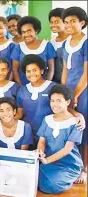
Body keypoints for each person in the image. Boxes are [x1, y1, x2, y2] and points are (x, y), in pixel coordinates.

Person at [14, 54, 85, 148]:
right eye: (28, 71)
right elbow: (20, 113)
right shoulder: (22, 90)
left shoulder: (53, 87)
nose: (32, 74)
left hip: (49, 133)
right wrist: (1, 119)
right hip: (29, 134)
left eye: (35, 70)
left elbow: (63, 108)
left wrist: (78, 114)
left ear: (42, 70)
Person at [37, 84, 83, 194]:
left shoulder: (76, 123)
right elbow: (41, 141)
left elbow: (67, 149)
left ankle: (73, 176)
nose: (55, 104)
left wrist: (47, 160)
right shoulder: (47, 119)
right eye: (52, 101)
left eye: (59, 101)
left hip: (68, 164)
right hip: (48, 162)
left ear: (67, 102)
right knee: (32, 179)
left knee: (51, 185)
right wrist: (40, 151)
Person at [61, 6, 87, 184]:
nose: (68, 24)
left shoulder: (86, 42)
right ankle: (70, 164)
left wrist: (76, 95)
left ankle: (84, 168)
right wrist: (63, 93)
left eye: (72, 21)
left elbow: (86, 73)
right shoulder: (65, 43)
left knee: (82, 129)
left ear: (82, 23)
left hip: (83, 92)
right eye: (66, 21)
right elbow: (64, 69)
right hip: (68, 93)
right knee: (68, 127)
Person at [11, 16, 57, 85]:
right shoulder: (18, 47)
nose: (26, 35)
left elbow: (51, 69)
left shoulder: (47, 45)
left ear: (36, 31)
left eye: (29, 31)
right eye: (23, 32)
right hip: (24, 86)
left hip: (43, 86)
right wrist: (22, 87)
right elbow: (15, 70)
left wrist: (45, 86)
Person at [49, 8, 68, 83]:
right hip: (55, 80)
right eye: (51, 22)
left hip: (69, 81)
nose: (53, 25)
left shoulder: (72, 40)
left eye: (57, 22)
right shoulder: (52, 41)